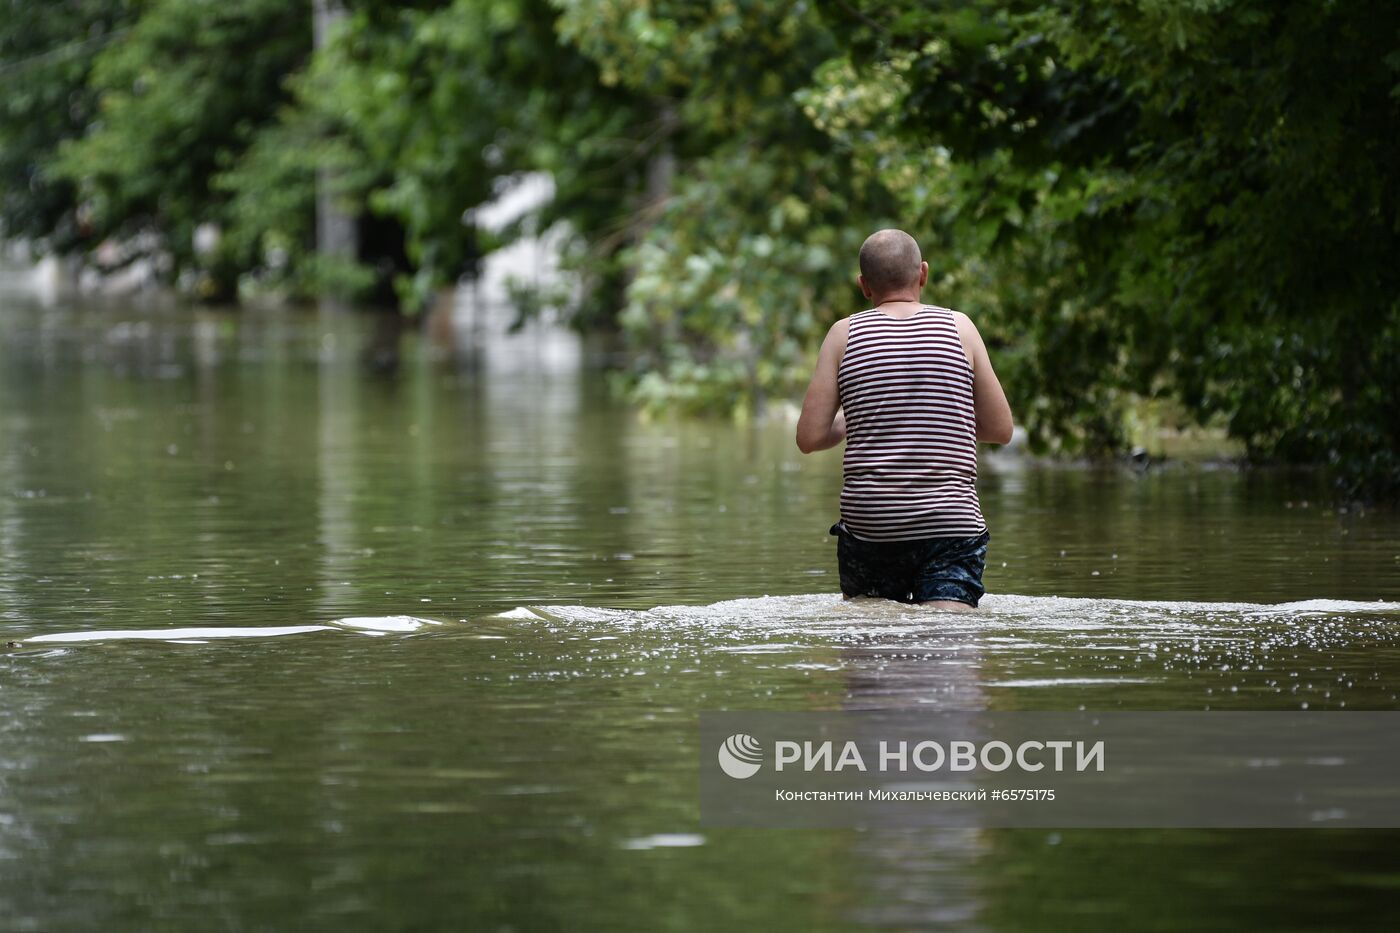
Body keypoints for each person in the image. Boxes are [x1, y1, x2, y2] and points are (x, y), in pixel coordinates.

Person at [795, 229, 1014, 610]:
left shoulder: (842, 335)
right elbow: (1000, 430)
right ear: (923, 274)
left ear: (864, 285)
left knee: (872, 642)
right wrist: (946, 418)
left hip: (872, 527)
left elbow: (809, 438)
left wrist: (859, 417)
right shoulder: (960, 328)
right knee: (949, 643)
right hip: (950, 523)